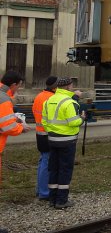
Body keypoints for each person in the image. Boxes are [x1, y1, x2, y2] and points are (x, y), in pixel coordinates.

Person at [42, 77, 85, 209]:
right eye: (71, 85)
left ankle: (52, 198)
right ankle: (62, 200)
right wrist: (82, 119)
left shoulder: (49, 100)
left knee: (53, 168)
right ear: (68, 86)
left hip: (52, 140)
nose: (72, 87)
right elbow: (73, 122)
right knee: (65, 169)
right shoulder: (69, 102)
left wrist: (53, 131)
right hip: (67, 141)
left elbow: (44, 122)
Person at [0, 71, 30, 184]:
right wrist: (21, 128)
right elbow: (8, 127)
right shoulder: (4, 99)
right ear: (13, 85)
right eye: (19, 86)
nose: (18, 89)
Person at [32, 76, 58, 201]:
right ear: (54, 87)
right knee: (47, 162)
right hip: (48, 134)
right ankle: (44, 192)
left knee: (43, 161)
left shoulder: (39, 96)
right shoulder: (51, 98)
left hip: (40, 134)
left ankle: (39, 189)